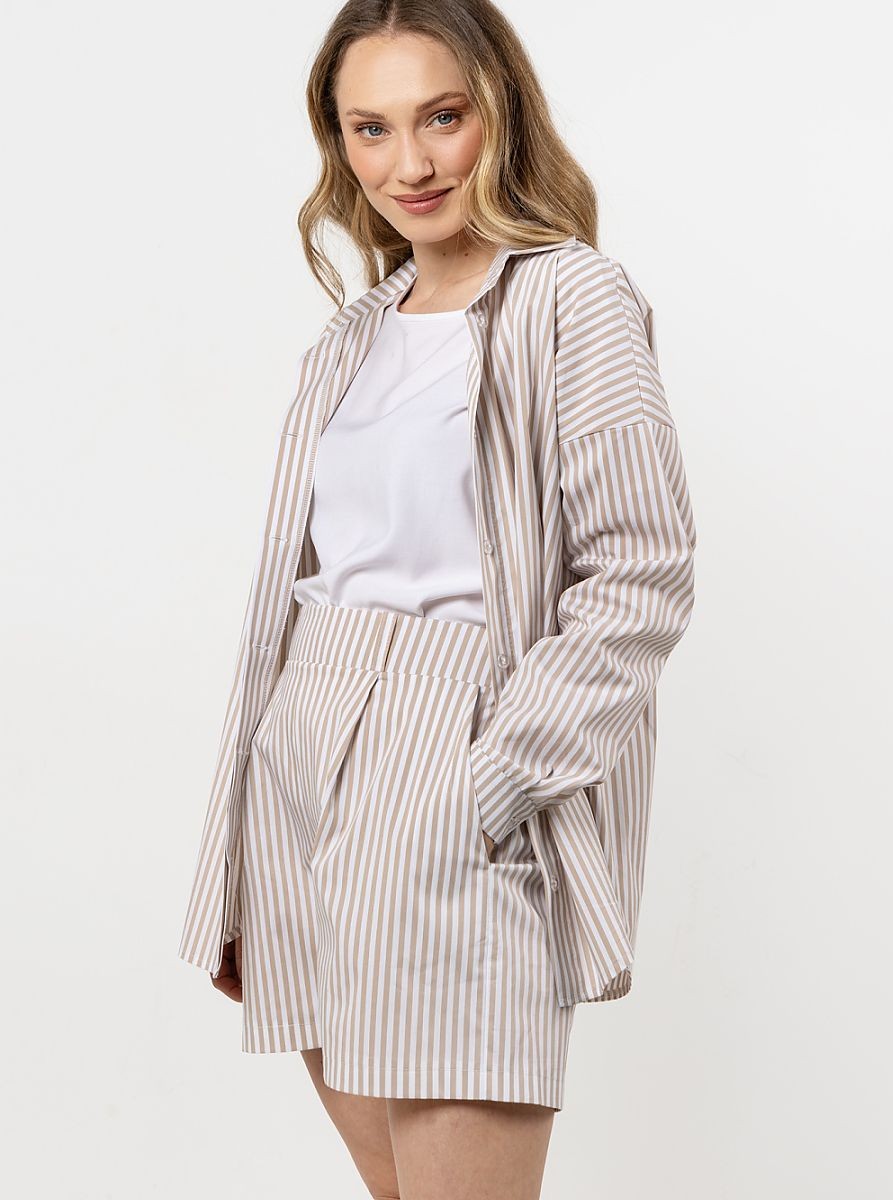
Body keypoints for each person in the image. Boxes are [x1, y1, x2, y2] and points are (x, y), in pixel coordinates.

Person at [177, 1, 697, 1196]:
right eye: (371, 129)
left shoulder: (574, 300)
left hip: (460, 745)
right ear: (340, 144)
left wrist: (497, 779)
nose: (407, 163)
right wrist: (245, 851)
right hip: (305, 757)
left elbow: (641, 571)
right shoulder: (351, 334)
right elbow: (298, 588)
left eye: (441, 117)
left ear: (499, 112)